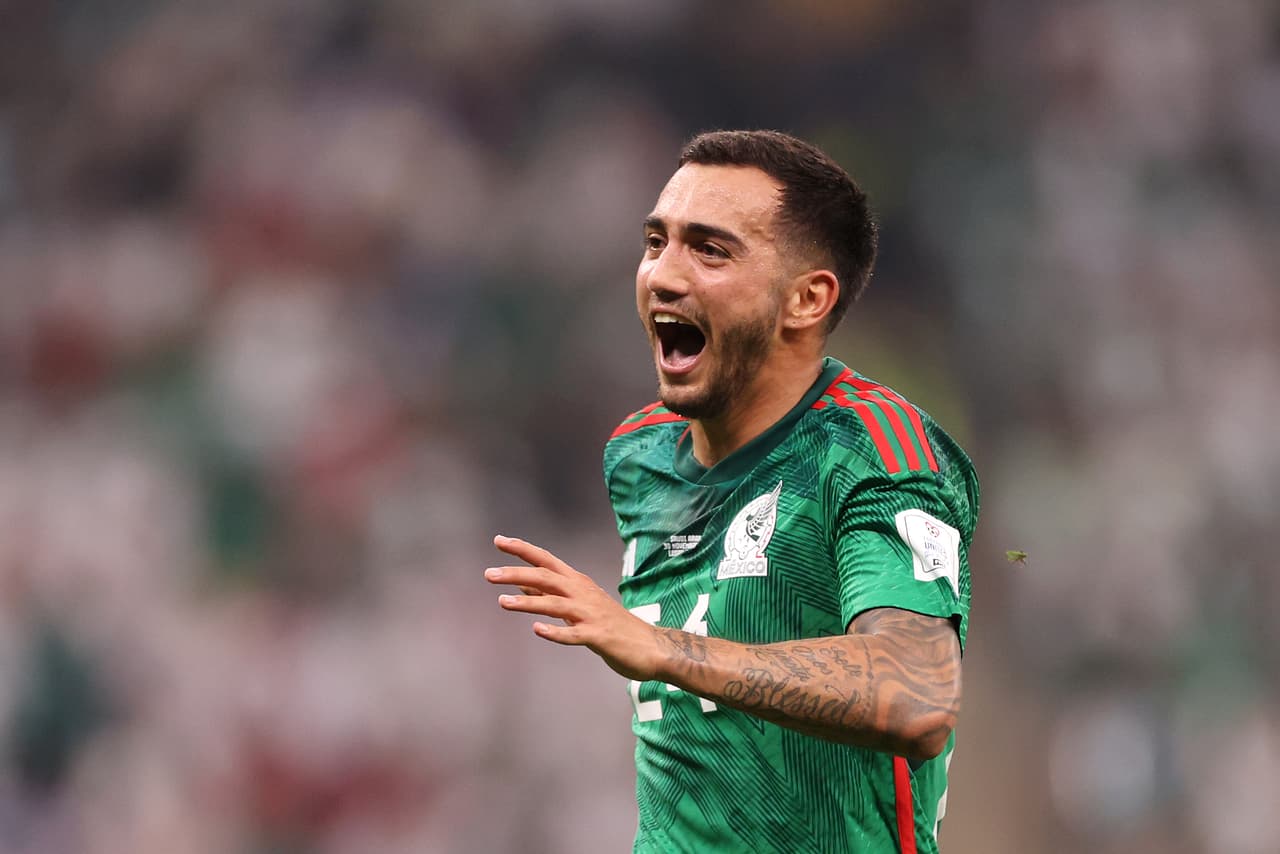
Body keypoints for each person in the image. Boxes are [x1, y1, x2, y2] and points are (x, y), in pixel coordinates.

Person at [485, 129, 979, 853]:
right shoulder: (640, 454)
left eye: (710, 250)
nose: (662, 275)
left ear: (806, 299)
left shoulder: (873, 450)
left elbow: (917, 695)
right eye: (656, 243)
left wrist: (664, 649)